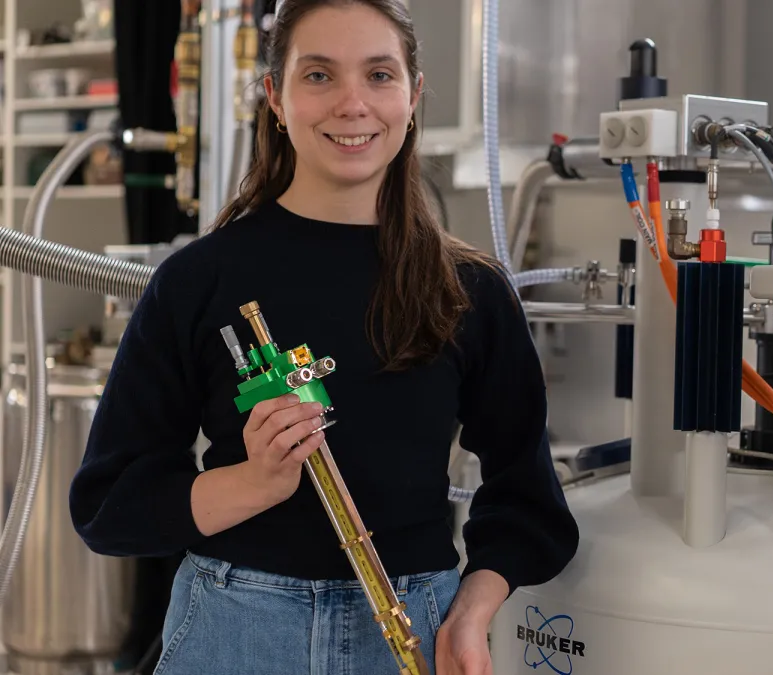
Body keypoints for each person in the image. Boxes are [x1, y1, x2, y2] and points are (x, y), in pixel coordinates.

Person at [68, 1, 579, 673]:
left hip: (415, 626)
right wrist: (255, 481)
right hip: (236, 628)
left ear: (412, 95)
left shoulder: (469, 290)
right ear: (276, 97)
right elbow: (109, 504)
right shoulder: (197, 280)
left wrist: (472, 612)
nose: (352, 103)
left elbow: (528, 501)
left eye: (378, 75)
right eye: (318, 76)